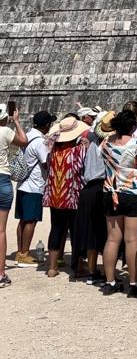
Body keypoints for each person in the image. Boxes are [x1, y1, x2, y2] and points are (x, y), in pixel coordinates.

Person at [101, 108, 137, 296]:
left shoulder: (106, 143)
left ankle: (110, 281)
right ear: (133, 127)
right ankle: (133, 282)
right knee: (132, 239)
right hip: (133, 192)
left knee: (113, 238)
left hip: (111, 190)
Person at [43, 115, 89, 278]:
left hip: (55, 194)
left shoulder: (52, 151)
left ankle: (52, 266)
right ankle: (78, 266)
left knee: (56, 228)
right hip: (73, 195)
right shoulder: (79, 150)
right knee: (76, 230)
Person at [70, 111, 112, 283]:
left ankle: (92, 270)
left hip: (87, 190)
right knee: (103, 232)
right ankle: (105, 272)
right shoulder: (107, 147)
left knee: (90, 233)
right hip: (100, 188)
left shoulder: (93, 145)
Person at [15, 110, 55, 266]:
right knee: (31, 221)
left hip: (23, 184)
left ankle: (20, 251)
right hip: (34, 185)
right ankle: (24, 253)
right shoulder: (39, 142)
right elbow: (46, 163)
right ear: (46, 125)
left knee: (23, 220)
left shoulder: (26, 136)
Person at [0, 103, 28, 288]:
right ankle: (1, 273)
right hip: (2, 179)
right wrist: (16, 121)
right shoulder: (4, 131)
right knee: (0, 230)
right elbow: (23, 140)